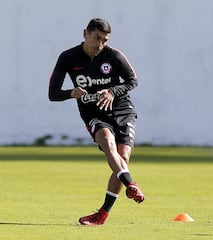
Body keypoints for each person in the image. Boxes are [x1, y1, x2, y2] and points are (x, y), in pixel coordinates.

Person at [48, 18, 145, 226]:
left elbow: (133, 80)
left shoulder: (114, 56)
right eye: (96, 38)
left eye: (104, 40)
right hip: (94, 112)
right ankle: (131, 184)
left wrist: (111, 91)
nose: (100, 45)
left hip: (121, 109)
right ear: (85, 33)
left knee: (123, 159)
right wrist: (71, 93)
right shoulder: (68, 57)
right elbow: (53, 93)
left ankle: (102, 214)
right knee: (107, 142)